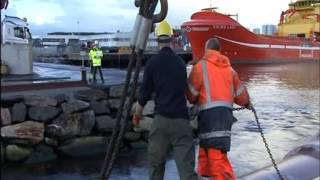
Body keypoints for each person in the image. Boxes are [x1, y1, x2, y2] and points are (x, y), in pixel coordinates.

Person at [132, 20, 197, 180]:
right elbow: (185, 90)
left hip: (161, 121)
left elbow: (143, 95)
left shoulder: (152, 63)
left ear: (157, 39)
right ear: (171, 39)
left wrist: (137, 116)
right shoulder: (181, 63)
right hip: (181, 121)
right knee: (187, 170)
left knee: (156, 167)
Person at [186, 38, 251, 180]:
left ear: (206, 50)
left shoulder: (200, 67)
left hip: (209, 119)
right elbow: (241, 96)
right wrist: (248, 104)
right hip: (225, 118)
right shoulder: (230, 70)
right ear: (219, 51)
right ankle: (205, 176)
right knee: (211, 152)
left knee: (214, 159)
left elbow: (191, 95)